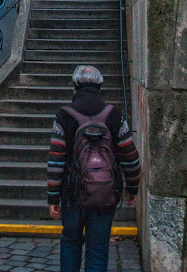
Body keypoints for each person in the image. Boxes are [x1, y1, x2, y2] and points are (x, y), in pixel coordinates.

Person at [47, 65, 140, 272]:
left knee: (70, 242)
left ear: (75, 85)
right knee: (98, 248)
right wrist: (132, 187)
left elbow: (56, 160)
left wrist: (53, 197)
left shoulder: (64, 115)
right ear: (100, 85)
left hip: (72, 193)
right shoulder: (114, 114)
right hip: (105, 192)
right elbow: (130, 156)